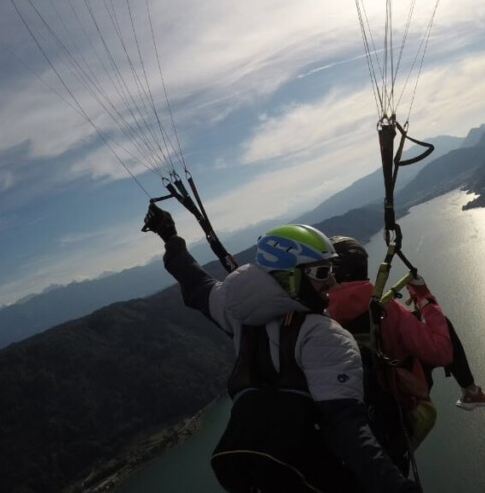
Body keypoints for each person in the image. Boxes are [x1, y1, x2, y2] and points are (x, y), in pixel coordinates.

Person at [142, 204, 417, 493]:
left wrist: (169, 237)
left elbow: (196, 285)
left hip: (264, 473)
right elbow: (347, 427)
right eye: (322, 272)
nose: (333, 281)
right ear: (289, 277)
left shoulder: (236, 312)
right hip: (319, 473)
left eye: (332, 270)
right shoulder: (324, 336)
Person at [324, 236, 454, 473]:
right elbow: (441, 352)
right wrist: (426, 301)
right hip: (402, 408)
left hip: (359, 426)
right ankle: (470, 390)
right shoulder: (385, 308)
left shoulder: (321, 319)